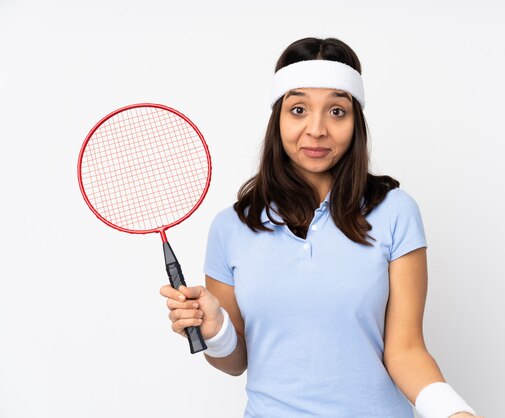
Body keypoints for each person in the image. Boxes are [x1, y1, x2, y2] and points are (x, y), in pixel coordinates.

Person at [160, 37, 483, 418]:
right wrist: (215, 331)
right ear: (277, 118)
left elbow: (405, 350)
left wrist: (453, 412)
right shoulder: (231, 227)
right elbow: (235, 361)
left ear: (355, 121)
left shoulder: (395, 212)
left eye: (336, 111)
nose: (316, 130)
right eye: (298, 109)